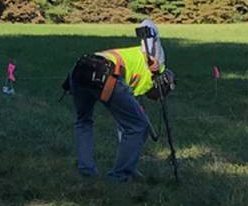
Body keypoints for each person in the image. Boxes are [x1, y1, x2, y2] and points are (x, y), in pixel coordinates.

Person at [64, 19, 170, 182]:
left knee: (83, 121)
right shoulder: (156, 65)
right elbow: (147, 25)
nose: (154, 98)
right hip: (107, 73)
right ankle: (119, 176)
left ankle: (87, 171)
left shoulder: (137, 55)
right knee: (138, 126)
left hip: (79, 69)